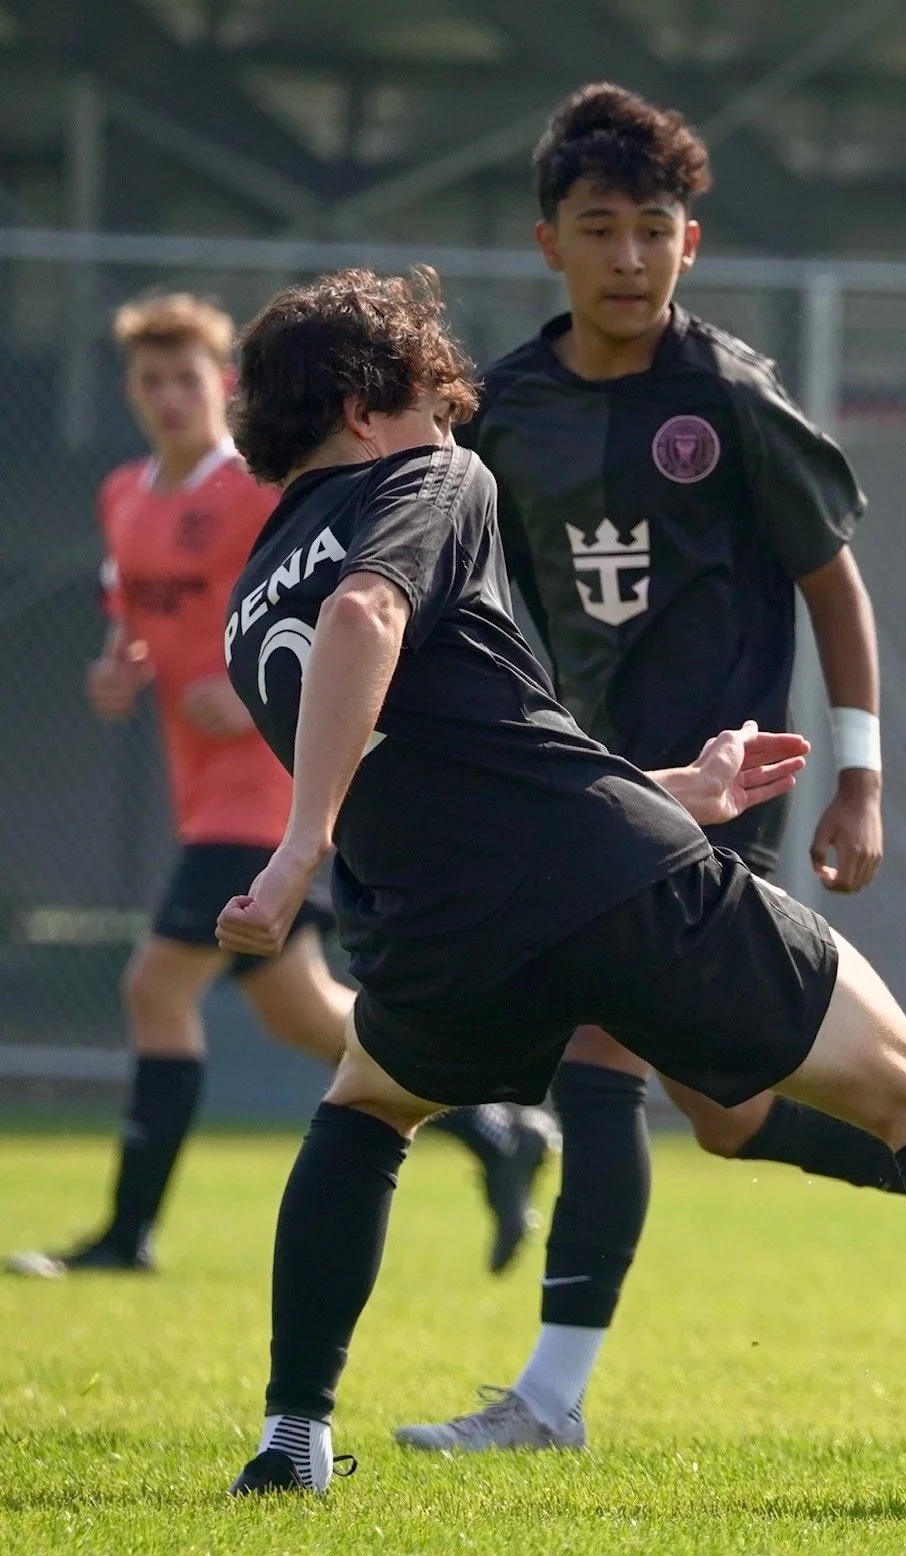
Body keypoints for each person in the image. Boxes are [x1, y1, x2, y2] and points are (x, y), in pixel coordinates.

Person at [211, 265, 906, 1518]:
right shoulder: (426, 481)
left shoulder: (253, 594)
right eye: (428, 405)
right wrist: (299, 847)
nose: (452, 430)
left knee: (363, 1109)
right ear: (366, 407)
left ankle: (292, 1435)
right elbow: (368, 616)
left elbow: (461, 755)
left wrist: (666, 789)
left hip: (437, 929)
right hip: (599, 876)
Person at [393, 85, 906, 1456]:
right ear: (549, 242)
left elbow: (837, 587)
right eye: (602, 229)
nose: (630, 257)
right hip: (578, 779)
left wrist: (861, 775)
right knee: (728, 1109)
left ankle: (549, 1400)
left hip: (713, 787)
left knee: (600, 1044)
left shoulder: (727, 393)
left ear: (689, 245)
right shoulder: (501, 412)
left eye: (655, 229)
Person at [4, 294, 549, 1282]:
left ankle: (127, 1236)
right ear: (129, 390)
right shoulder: (125, 495)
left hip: (270, 784)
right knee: (300, 1012)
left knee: (153, 985)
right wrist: (116, 669)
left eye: (187, 377)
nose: (169, 396)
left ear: (224, 385)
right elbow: (130, 618)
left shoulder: (259, 487)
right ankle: (493, 1126)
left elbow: (319, 592)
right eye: (149, 379)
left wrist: (242, 676)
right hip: (197, 787)